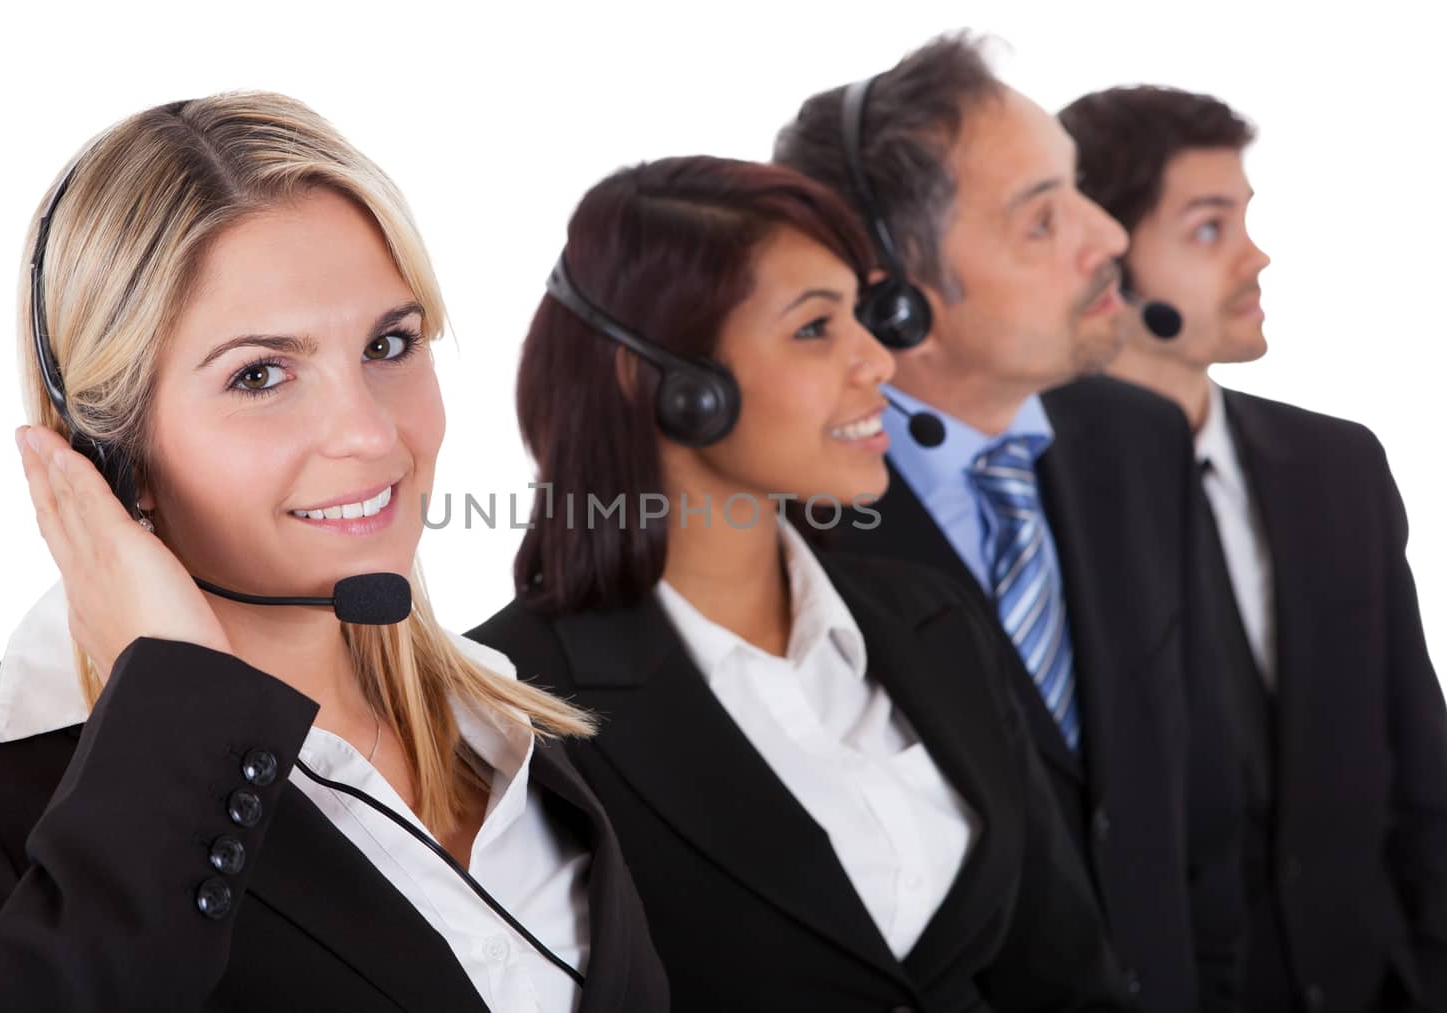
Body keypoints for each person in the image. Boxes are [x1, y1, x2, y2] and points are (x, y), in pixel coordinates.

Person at [0, 92, 668, 1012]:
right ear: (109, 457)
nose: (368, 434)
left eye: (389, 344)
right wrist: (173, 706)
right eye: (261, 374)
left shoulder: (514, 730)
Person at [470, 154, 1131, 1012]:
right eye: (817, 328)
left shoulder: (930, 614)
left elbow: (1067, 973)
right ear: (670, 385)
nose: (879, 363)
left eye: (865, 316)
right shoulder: (512, 705)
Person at [772, 33, 1244, 1011]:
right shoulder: (774, 531)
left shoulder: (1140, 439)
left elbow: (1206, 802)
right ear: (893, 297)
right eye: (1041, 222)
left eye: (1076, 189)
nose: (1108, 236)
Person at [1061, 83, 1447, 1013]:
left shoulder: (1337, 463)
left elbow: (1420, 759)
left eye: (1246, 220)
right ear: (1103, 261)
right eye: (1208, 228)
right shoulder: (1036, 491)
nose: (1255, 256)